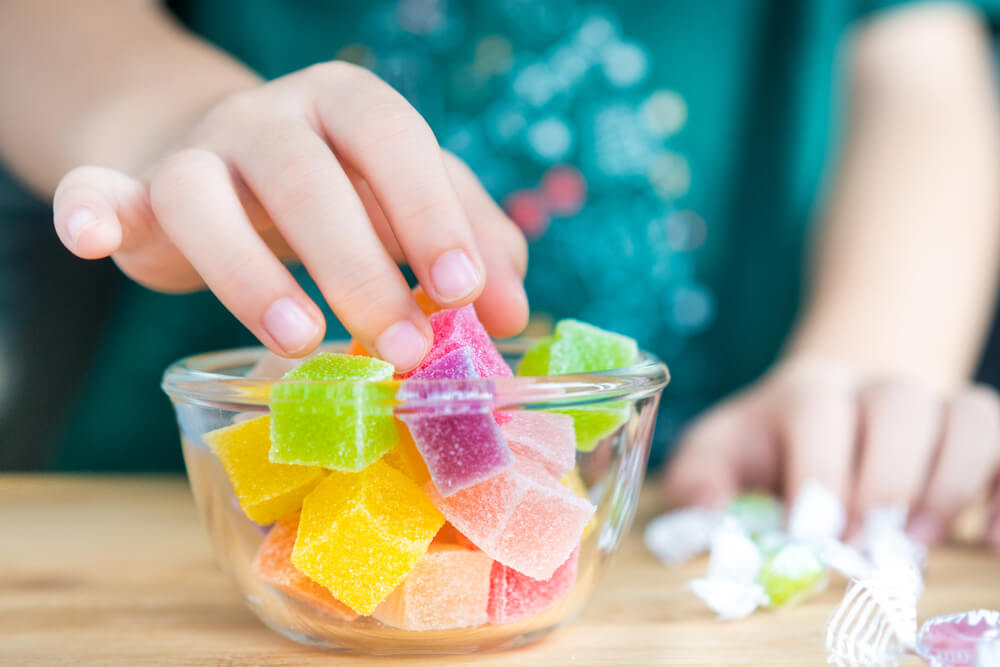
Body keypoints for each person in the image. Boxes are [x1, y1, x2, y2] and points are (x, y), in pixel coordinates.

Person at [1, 0, 999, 548]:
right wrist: (174, 127)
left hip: (700, 496)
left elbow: (921, 58)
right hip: (166, 520)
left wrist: (868, 361)